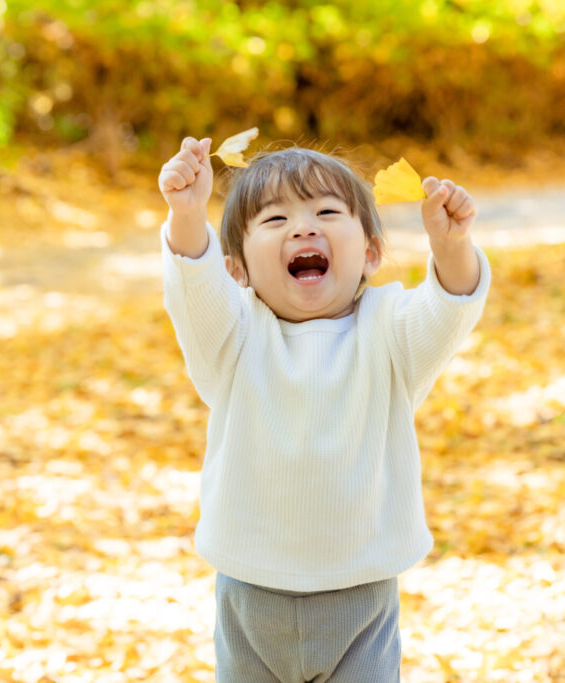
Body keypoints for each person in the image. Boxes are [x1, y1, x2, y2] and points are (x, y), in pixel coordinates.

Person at [158, 136, 491, 682]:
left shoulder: (390, 331)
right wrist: (188, 215)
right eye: (275, 219)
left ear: (372, 253)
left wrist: (452, 247)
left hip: (360, 597)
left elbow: (448, 310)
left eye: (328, 212)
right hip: (251, 592)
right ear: (236, 269)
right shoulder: (232, 336)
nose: (303, 228)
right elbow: (193, 290)